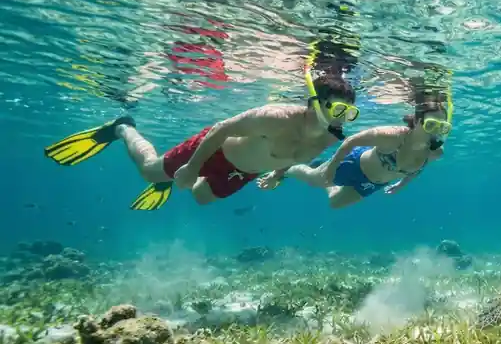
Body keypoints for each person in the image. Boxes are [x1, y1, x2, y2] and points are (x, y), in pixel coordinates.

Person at [43, 46, 360, 211]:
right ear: (314, 103)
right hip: (216, 150)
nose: (341, 119)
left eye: (349, 113)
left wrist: (277, 174)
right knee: (151, 171)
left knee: (201, 197)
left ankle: (175, 180)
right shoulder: (275, 117)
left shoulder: (330, 138)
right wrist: (192, 166)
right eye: (337, 109)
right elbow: (222, 128)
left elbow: (295, 155)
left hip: (246, 171)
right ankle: (122, 127)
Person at [258, 90, 452, 209]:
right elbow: (351, 141)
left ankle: (326, 178)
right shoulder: (392, 136)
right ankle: (282, 171)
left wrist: (401, 185)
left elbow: (417, 169)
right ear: (417, 121)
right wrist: (333, 167)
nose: (436, 132)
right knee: (313, 180)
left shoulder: (435, 152)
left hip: (373, 183)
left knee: (335, 204)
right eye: (431, 125)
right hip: (352, 165)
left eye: (442, 127)